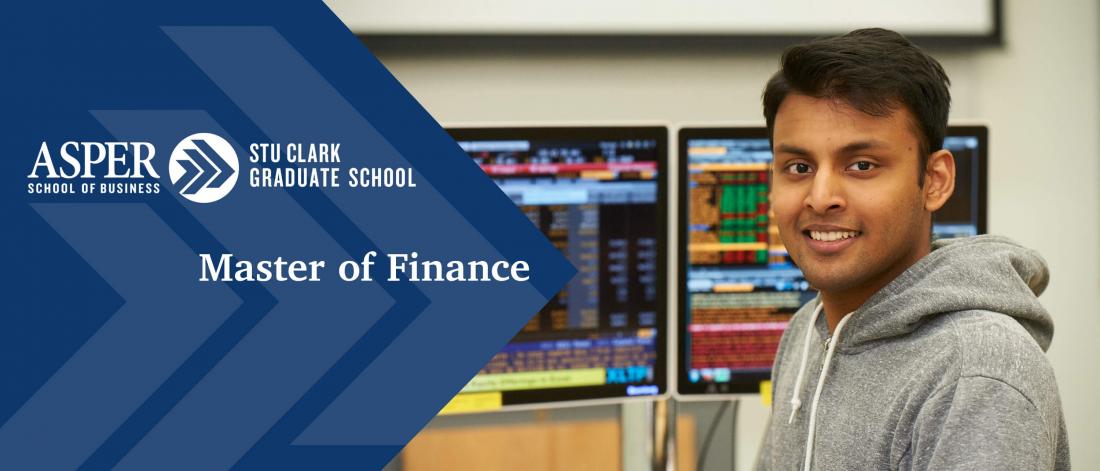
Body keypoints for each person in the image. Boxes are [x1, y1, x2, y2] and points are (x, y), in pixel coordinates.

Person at [755, 28, 1069, 470]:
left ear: (935, 181)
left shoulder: (976, 372)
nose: (820, 196)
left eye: (862, 165)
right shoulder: (807, 332)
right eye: (798, 167)